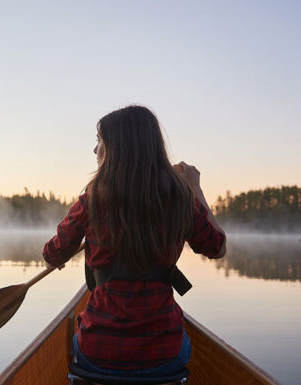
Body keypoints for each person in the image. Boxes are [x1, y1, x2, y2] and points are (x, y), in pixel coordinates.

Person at [42, 105, 226, 377]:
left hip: (97, 353)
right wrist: (195, 189)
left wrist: (55, 258)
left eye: (99, 142)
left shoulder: (91, 200)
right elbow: (218, 248)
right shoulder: (181, 199)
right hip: (163, 355)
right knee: (183, 345)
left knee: (74, 342)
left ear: (117, 149)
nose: (95, 151)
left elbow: (52, 254)